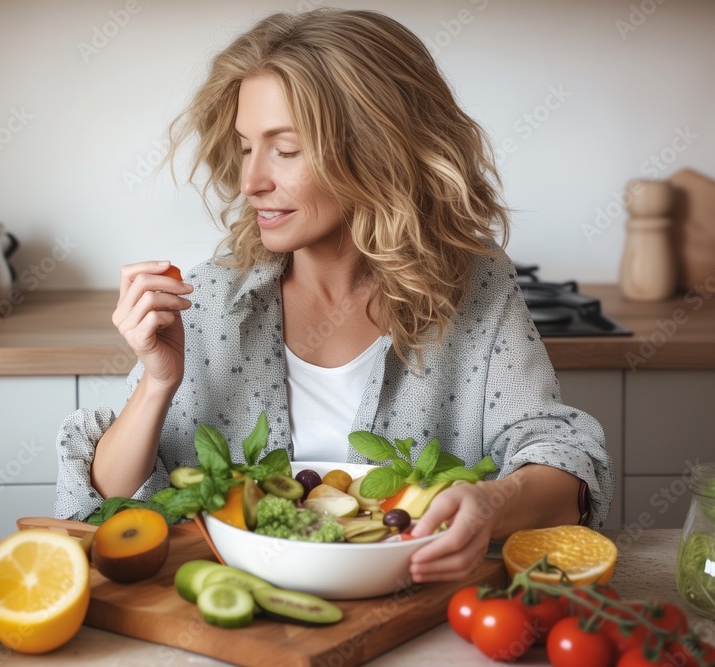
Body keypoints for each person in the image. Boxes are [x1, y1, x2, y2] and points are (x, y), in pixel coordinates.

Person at [55, 8, 614, 583]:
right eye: (247, 147)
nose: (251, 182)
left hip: (419, 613)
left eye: (286, 149)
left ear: (377, 149)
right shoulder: (214, 298)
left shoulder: (475, 291)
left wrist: (491, 505)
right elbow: (103, 509)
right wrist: (157, 383)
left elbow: (565, 470)